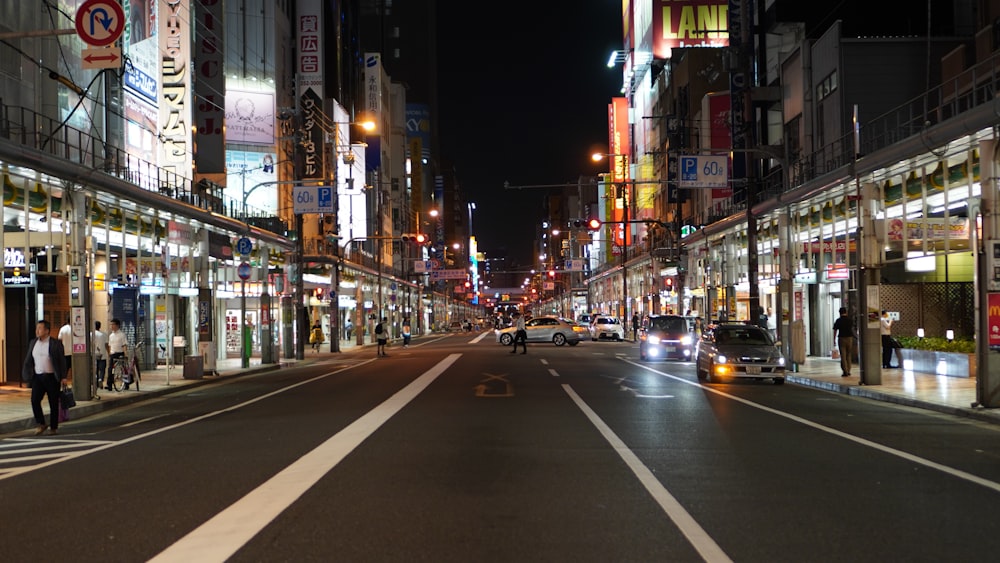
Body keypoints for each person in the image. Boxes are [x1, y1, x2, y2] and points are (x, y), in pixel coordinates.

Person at [22, 320, 67, 435]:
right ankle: (41, 423)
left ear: (47, 330)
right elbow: (29, 359)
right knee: (34, 400)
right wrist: (27, 374)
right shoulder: (33, 342)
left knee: (53, 403)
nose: (37, 331)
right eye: (37, 328)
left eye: (40, 328)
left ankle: (53, 427)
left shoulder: (55, 343)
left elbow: (62, 361)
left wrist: (63, 377)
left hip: (52, 377)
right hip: (38, 377)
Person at [833, 307, 856, 378]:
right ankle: (849, 370)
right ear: (846, 312)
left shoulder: (838, 320)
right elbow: (853, 329)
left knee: (843, 356)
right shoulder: (850, 320)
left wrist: (834, 339)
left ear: (840, 313)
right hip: (850, 338)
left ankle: (845, 371)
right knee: (848, 355)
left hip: (842, 338)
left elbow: (835, 330)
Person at [107, 318, 127, 391]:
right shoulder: (111, 335)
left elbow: (124, 345)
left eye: (113, 324)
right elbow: (109, 345)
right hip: (113, 353)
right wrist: (109, 353)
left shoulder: (122, 335)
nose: (111, 326)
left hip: (120, 353)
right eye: (111, 325)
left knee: (123, 369)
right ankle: (109, 385)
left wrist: (126, 354)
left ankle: (126, 383)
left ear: (117, 325)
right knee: (110, 369)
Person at [92, 321, 109, 390]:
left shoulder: (91, 334)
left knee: (95, 369)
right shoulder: (104, 334)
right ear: (100, 326)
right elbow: (106, 345)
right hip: (102, 354)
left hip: (93, 354)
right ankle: (100, 379)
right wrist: (109, 353)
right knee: (102, 369)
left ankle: (95, 381)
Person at [58, 314, 73, 380]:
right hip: (74, 353)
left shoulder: (63, 329)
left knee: (64, 371)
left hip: (65, 352)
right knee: (75, 371)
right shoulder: (76, 329)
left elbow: (59, 340)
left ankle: (64, 385)